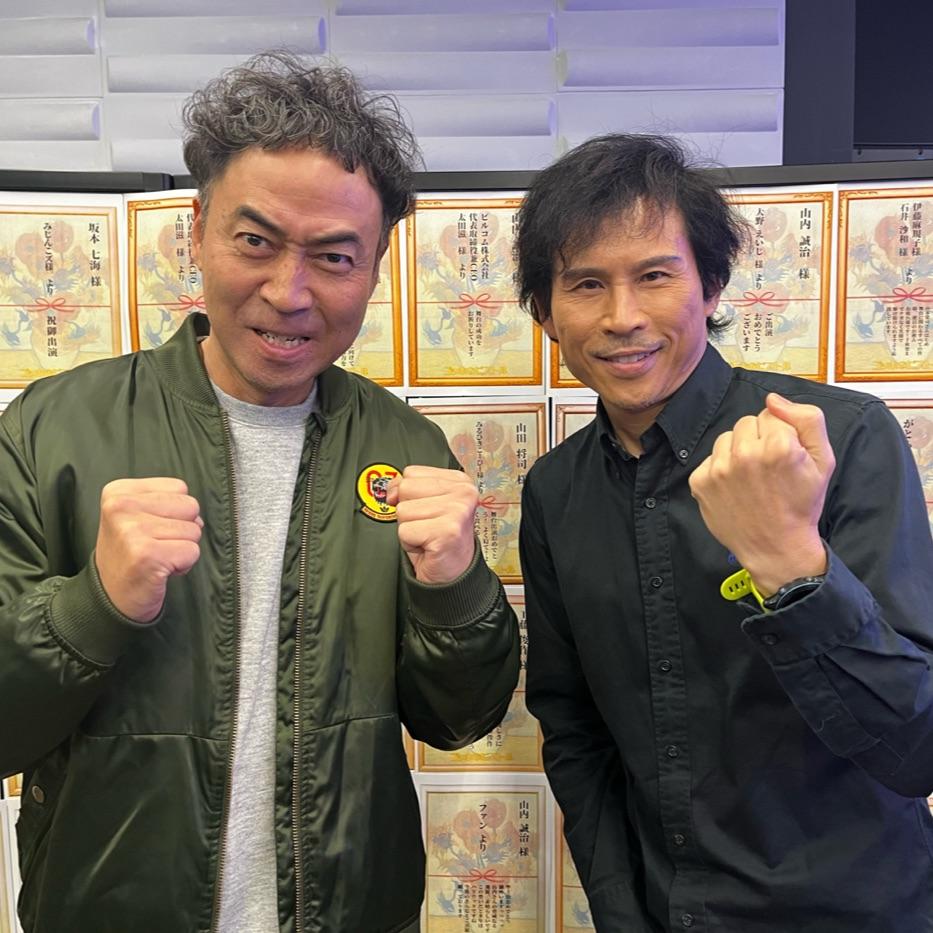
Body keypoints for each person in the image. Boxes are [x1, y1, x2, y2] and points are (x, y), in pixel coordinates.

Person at [0, 51, 519, 933]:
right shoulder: (56, 431)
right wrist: (93, 606)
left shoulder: (404, 449)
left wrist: (457, 589)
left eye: (334, 256)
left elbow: (458, 720)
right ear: (198, 229)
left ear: (376, 266)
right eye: (255, 242)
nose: (289, 292)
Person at [515, 133, 933, 932]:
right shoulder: (555, 490)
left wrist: (791, 565)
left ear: (709, 285)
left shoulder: (835, 438)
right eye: (586, 284)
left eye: (654, 275)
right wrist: (619, 908)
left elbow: (915, 747)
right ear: (545, 311)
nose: (622, 317)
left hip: (856, 911)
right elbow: (573, 728)